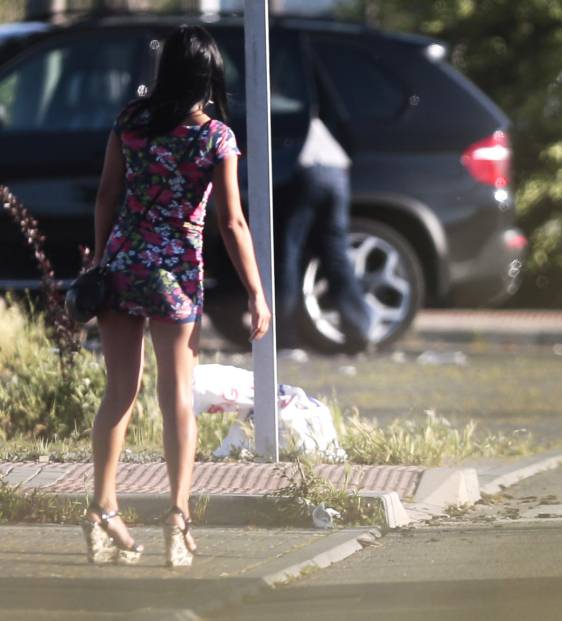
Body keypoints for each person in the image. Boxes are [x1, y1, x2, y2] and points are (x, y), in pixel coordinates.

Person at [83, 25, 270, 568]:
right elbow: (232, 221)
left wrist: (100, 260)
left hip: (122, 266)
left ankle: (101, 508)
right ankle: (177, 519)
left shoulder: (130, 122)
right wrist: (256, 292)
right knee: (177, 396)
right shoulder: (216, 138)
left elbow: (105, 195)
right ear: (209, 76)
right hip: (175, 274)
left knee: (118, 392)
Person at [276, 113, 371, 359]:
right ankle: (359, 331)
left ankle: (284, 337)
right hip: (337, 170)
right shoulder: (315, 109)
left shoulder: (273, 107)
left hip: (305, 168)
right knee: (336, 254)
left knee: (289, 251)